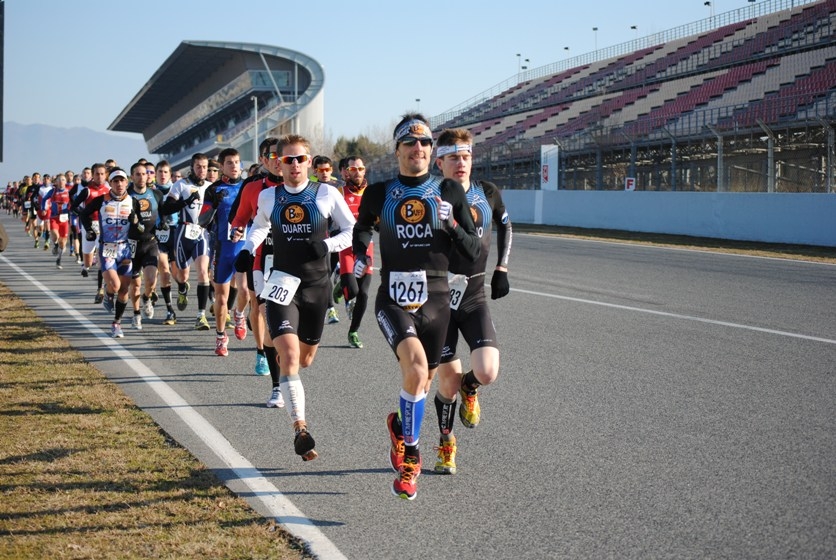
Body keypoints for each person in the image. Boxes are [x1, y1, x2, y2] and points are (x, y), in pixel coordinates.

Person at [352, 114, 480, 500]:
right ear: (398, 150)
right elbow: (362, 227)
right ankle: (411, 457)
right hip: (394, 297)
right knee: (417, 369)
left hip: (438, 301)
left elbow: (473, 252)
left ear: (431, 151)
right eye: (410, 143)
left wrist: (453, 226)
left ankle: (399, 427)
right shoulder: (379, 192)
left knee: (420, 385)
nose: (419, 149)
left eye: (425, 143)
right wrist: (361, 252)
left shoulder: (450, 191)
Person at [236, 133, 355, 461]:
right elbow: (259, 226)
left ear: (308, 161)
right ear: (278, 162)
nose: (293, 165)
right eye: (286, 159)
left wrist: (328, 245)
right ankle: (299, 428)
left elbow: (351, 231)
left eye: (299, 159)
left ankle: (285, 367)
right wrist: (248, 249)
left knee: (304, 360)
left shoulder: (327, 193)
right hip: (282, 283)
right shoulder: (269, 198)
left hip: (316, 287)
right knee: (288, 355)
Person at [431, 128, 512, 476]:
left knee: (487, 371)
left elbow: (507, 226)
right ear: (440, 162)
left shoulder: (487, 192)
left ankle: (471, 387)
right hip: (439, 299)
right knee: (445, 383)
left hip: (475, 293)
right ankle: (446, 443)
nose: (461, 163)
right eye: (453, 157)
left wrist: (502, 268)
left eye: (466, 156)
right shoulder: (428, 196)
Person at [230, 137, 285, 390]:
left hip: (294, 261)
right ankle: (263, 353)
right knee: (262, 309)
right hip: (261, 257)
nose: (279, 160)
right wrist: (238, 232)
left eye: (282, 154)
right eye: (272, 155)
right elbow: (238, 218)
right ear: (263, 160)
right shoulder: (253, 188)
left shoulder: (305, 187)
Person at [77, 168, 142, 339]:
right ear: (110, 183)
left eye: (122, 181)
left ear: (127, 182)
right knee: (115, 285)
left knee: (124, 289)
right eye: (115, 181)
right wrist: (89, 230)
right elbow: (83, 214)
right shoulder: (101, 200)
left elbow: (140, 227)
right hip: (107, 248)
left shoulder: (133, 201)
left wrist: (136, 222)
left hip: (125, 248)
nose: (119, 184)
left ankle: (116, 323)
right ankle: (107, 291)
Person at [200, 147, 249, 357]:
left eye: (237, 162)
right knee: (221, 296)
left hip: (245, 246)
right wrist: (214, 205)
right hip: (222, 248)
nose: (235, 166)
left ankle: (239, 314)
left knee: (245, 290)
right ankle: (221, 337)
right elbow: (202, 221)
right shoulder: (213, 189)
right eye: (230, 163)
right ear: (221, 166)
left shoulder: (249, 186)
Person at [160, 153, 213, 330]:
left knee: (203, 272)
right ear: (192, 167)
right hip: (183, 233)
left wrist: (218, 204)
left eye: (205, 167)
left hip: (201, 233)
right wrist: (184, 202)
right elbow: (166, 208)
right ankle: (182, 288)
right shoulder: (180, 185)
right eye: (198, 166)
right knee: (182, 275)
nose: (202, 170)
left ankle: (201, 316)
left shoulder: (210, 187)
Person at [335, 156, 373, 349]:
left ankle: (353, 331)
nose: (357, 172)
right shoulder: (340, 192)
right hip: (346, 246)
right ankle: (343, 286)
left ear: (364, 171)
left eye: (360, 168)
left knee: (364, 294)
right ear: (346, 172)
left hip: (366, 248)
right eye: (353, 169)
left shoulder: (371, 193)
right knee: (354, 290)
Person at [127, 161, 164, 330]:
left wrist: (163, 224)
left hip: (150, 242)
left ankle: (147, 298)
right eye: (138, 174)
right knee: (134, 284)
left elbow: (163, 213)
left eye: (144, 174)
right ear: (132, 176)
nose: (142, 177)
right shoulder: (126, 196)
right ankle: (136, 314)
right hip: (132, 245)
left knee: (150, 280)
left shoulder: (155, 194)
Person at [71, 163, 111, 302]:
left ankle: (100, 289)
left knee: (102, 258)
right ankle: (86, 265)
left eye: (102, 174)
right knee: (87, 261)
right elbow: (74, 206)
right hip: (89, 225)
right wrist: (84, 216)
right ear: (92, 175)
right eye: (97, 174)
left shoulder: (110, 189)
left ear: (106, 175)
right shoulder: (87, 191)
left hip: (104, 226)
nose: (100, 177)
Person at [152, 160, 179, 325]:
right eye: (160, 172)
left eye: (165, 172)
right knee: (163, 268)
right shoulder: (151, 192)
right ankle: (170, 310)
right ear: (155, 174)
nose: (162, 175)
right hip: (157, 234)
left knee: (178, 274)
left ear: (170, 175)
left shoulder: (177, 189)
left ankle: (182, 288)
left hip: (175, 232)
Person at [42, 173, 72, 268]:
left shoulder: (69, 191)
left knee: (63, 242)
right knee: (55, 235)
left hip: (64, 218)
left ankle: (59, 259)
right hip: (54, 217)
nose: (61, 181)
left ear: (65, 181)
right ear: (56, 182)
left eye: (63, 179)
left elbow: (75, 202)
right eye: (59, 180)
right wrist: (43, 208)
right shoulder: (52, 191)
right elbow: (44, 199)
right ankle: (55, 245)